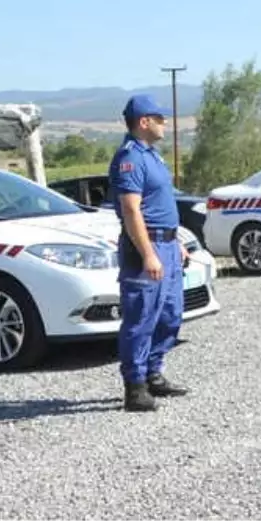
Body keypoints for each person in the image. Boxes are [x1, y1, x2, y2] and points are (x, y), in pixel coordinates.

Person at [108, 94, 190, 412]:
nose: (165, 123)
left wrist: (175, 242)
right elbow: (131, 210)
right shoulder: (130, 158)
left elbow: (160, 205)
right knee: (141, 318)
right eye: (160, 118)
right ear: (144, 121)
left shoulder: (152, 156)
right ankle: (135, 386)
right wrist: (148, 253)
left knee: (170, 315)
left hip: (166, 244)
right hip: (148, 246)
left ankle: (154, 373)